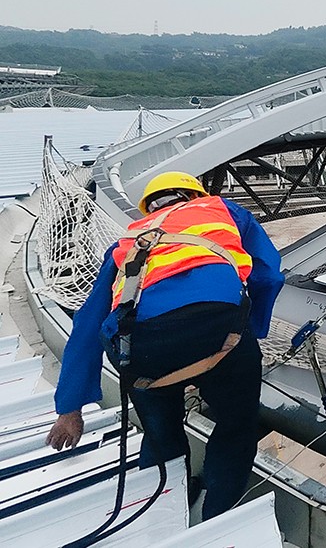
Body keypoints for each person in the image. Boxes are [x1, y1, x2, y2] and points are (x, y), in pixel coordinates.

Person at [46, 171, 285, 521]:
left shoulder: (129, 241)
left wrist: (70, 408)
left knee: (160, 433)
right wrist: (252, 330)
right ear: (194, 195)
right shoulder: (221, 210)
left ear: (149, 209)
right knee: (237, 424)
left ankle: (164, 508)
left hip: (136, 347)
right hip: (217, 332)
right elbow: (268, 275)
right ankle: (217, 516)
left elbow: (87, 322)